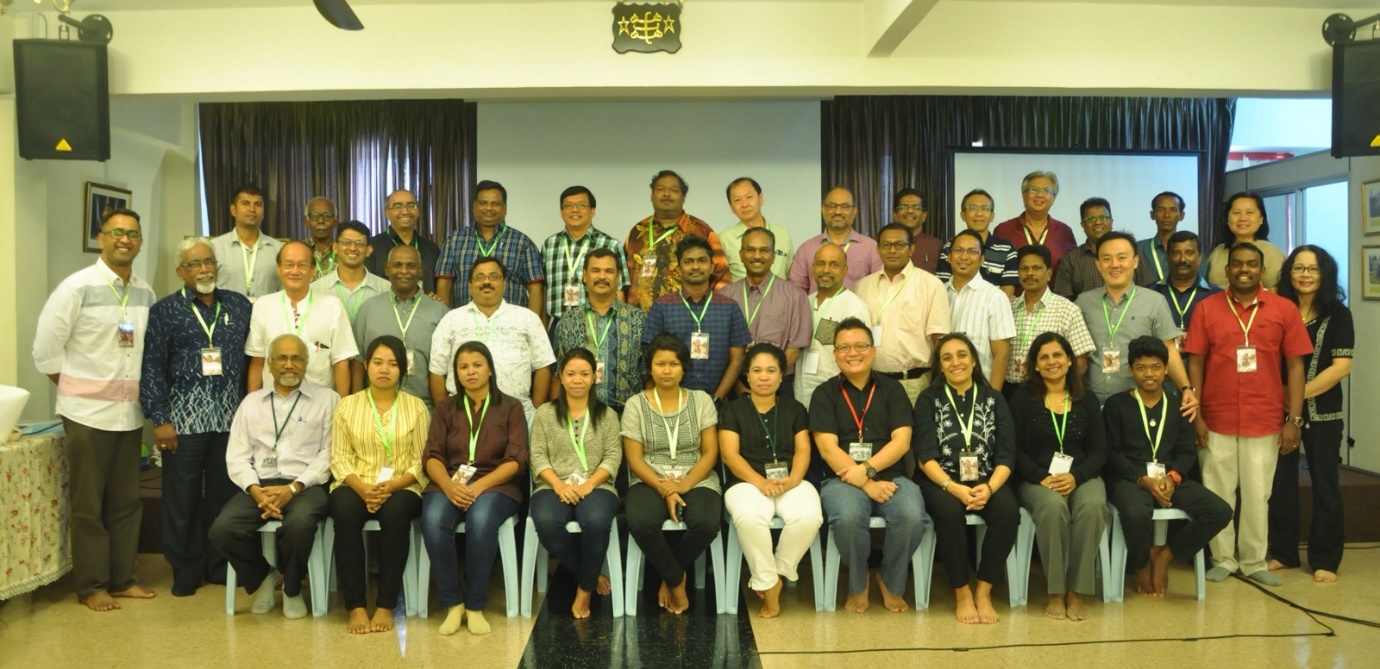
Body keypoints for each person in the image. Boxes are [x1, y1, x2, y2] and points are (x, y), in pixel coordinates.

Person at [34, 208, 158, 611]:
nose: (125, 240)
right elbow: (45, 352)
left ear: (140, 242)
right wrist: (80, 391)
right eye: (116, 232)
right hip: (86, 416)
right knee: (89, 505)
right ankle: (91, 586)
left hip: (129, 415)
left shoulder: (145, 292)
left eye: (133, 234)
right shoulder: (76, 288)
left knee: (127, 501)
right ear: (101, 238)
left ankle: (122, 579)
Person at [1186, 242, 1311, 586]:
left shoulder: (1284, 309)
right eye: (1237, 264)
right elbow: (1195, 363)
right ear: (1227, 270)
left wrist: (1294, 420)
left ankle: (1254, 561)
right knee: (1218, 493)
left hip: (1265, 417)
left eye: (1252, 264)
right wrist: (1197, 415)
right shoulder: (1206, 309)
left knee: (1258, 494)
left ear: (1262, 270)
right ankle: (1223, 559)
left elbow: (1296, 368)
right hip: (1216, 416)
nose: (1244, 270)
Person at [141, 236, 252, 596]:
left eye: (209, 262)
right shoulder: (165, 311)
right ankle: (186, 569)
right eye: (195, 264)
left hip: (230, 420)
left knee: (224, 495)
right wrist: (160, 419)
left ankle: (218, 565)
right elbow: (152, 368)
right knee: (182, 499)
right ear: (180, 272)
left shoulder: (238, 305)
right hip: (183, 421)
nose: (204, 269)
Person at [210, 334, 335, 619]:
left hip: (306, 484)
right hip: (260, 486)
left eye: (296, 358)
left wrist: (294, 488)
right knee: (223, 529)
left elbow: (330, 454)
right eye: (282, 358)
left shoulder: (327, 400)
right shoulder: (251, 404)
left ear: (307, 363)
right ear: (269, 364)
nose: (289, 365)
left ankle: (292, 588)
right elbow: (237, 456)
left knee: (300, 524)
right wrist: (255, 490)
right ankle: (264, 576)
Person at [1104, 336, 1231, 597]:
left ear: (1165, 370)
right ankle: (1139, 566)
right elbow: (1111, 453)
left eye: (1155, 367)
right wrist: (1142, 479)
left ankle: (1165, 555)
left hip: (1170, 479)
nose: (1149, 374)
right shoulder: (1117, 405)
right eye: (1141, 368)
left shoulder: (1177, 405)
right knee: (1136, 512)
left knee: (1219, 511)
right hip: (1130, 479)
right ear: (1130, 371)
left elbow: (1186, 453)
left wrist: (1172, 478)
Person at [810, 318, 922, 614]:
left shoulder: (893, 390)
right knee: (847, 518)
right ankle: (858, 582)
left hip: (892, 475)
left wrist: (868, 470)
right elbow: (827, 448)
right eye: (844, 348)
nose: (853, 353)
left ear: (873, 350)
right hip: (841, 479)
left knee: (912, 515)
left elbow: (902, 442)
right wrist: (866, 483)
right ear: (835, 354)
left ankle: (890, 580)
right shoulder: (824, 394)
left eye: (860, 346)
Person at [422, 341, 528, 635]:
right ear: (456, 373)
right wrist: (448, 487)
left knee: (481, 519)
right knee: (433, 519)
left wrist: (478, 486)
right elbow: (432, 456)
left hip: (496, 484)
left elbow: (516, 460)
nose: (471, 372)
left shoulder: (511, 407)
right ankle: (453, 603)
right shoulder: (445, 408)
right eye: (463, 367)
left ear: (490, 369)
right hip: (449, 482)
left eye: (477, 365)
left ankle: (475, 605)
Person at [912, 333, 1018, 625]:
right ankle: (962, 592)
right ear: (940, 366)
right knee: (948, 513)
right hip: (940, 481)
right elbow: (925, 456)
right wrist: (953, 487)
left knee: (1008, 512)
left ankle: (983, 591)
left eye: (962, 355)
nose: (955, 362)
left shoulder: (994, 399)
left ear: (973, 361)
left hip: (988, 479)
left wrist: (990, 488)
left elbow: (1006, 455)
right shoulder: (928, 399)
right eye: (947, 358)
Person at [330, 336, 430, 634]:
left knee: (396, 516)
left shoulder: (416, 407)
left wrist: (393, 486)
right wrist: (362, 488)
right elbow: (339, 458)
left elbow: (421, 461)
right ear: (366, 366)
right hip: (355, 483)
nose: (384, 369)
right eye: (377, 362)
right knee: (344, 512)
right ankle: (356, 606)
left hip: (403, 485)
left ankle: (386, 604)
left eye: (392, 364)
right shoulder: (347, 406)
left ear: (402, 370)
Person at [621, 333, 724, 615]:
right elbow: (634, 459)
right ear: (650, 368)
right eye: (660, 364)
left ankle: (669, 577)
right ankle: (678, 580)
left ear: (684, 368)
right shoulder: (635, 404)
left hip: (697, 478)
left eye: (674, 364)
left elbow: (710, 453)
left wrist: (683, 484)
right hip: (649, 479)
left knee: (706, 522)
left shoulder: (701, 401)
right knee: (641, 522)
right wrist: (665, 487)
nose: (667, 370)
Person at [1268, 246, 1353, 583]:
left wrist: (1295, 397)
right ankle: (1284, 552)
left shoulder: (1338, 314)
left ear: (1325, 274)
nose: (1305, 275)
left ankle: (1325, 559)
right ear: (1288, 273)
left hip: (1323, 413)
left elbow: (1341, 367)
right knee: (1281, 483)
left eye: (1313, 269)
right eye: (1298, 268)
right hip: (1277, 411)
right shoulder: (1276, 309)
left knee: (1325, 484)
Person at [1011, 332, 1109, 621]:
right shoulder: (1022, 399)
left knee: (1093, 507)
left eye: (1057, 355)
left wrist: (1077, 476)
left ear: (1069, 360)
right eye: (1044, 357)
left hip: (1082, 475)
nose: (1051, 362)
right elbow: (1012, 449)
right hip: (1036, 479)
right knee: (1053, 507)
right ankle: (1055, 590)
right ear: (1035, 365)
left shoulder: (1086, 399)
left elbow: (1100, 450)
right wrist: (1040, 476)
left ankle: (1076, 591)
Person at [719, 343, 822, 618]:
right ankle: (767, 583)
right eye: (757, 370)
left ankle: (776, 575)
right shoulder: (733, 410)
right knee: (750, 517)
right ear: (747, 375)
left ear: (781, 374)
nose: (764, 377)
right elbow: (729, 455)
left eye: (771, 370)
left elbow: (803, 450)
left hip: (790, 480)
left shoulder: (795, 408)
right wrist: (759, 482)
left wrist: (794, 479)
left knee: (809, 515)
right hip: (745, 482)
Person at [528, 348, 622, 618]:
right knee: (546, 521)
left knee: (596, 520)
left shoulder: (608, 415)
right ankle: (588, 577)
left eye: (584, 374)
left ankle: (583, 591)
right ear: (561, 376)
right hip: (552, 485)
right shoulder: (545, 414)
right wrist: (559, 486)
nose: (577, 380)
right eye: (570, 374)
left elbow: (613, 456)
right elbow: (537, 455)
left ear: (594, 377)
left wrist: (588, 485)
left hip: (597, 485)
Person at [1075, 231, 1199, 415]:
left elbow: (1169, 349)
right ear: (1098, 264)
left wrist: (1186, 388)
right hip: (1092, 404)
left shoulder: (1154, 301)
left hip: (1138, 405)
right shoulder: (1083, 302)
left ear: (1135, 261)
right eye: (1107, 259)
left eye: (1122, 258)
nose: (1114, 265)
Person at [429, 257, 556, 422]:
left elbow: (543, 365)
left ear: (504, 283)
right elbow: (437, 371)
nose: (486, 282)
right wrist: (446, 414)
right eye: (479, 277)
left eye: (494, 277)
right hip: (463, 416)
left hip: (517, 416)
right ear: (469, 285)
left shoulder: (527, 318)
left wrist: (535, 409)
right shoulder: (451, 319)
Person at [644, 235, 751, 402]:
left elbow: (736, 360)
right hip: (671, 401)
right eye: (688, 262)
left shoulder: (729, 307)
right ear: (678, 269)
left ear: (712, 267)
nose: (695, 266)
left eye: (702, 261)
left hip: (719, 402)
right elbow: (649, 357)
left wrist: (717, 398)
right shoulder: (662, 306)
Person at [245, 241, 357, 397]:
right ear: (278, 269)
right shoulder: (263, 305)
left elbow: (341, 363)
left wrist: (341, 406)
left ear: (313, 270)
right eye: (288, 265)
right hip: (273, 402)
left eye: (302, 265)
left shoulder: (332, 307)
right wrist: (253, 404)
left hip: (319, 403)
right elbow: (257, 362)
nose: (295, 271)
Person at [854, 224, 951, 405]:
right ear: (878, 249)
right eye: (886, 245)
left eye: (899, 245)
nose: (892, 250)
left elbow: (939, 338)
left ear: (911, 249)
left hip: (913, 384)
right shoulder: (862, 286)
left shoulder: (931, 285)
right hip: (870, 382)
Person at [350, 245, 449, 406]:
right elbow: (358, 361)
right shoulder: (368, 310)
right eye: (397, 265)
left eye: (411, 266)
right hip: (375, 407)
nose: (404, 271)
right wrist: (357, 403)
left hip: (425, 407)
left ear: (420, 270)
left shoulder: (440, 312)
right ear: (387, 269)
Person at [720, 227, 812, 394]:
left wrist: (766, 379)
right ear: (741, 254)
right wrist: (737, 386)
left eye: (764, 250)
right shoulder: (724, 296)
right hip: (735, 385)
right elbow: (720, 348)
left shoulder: (795, 296)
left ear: (773, 256)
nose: (757, 256)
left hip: (778, 385)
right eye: (750, 250)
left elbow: (794, 349)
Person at [554, 248, 647, 412]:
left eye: (609, 271)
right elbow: (558, 374)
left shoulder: (638, 319)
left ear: (618, 277)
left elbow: (648, 374)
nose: (602, 276)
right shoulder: (568, 321)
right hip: (579, 413)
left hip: (627, 415)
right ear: (585, 275)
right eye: (595, 270)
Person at [434, 180, 545, 315]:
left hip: (511, 324)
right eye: (483, 203)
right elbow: (444, 284)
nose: (489, 208)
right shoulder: (455, 240)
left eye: (495, 204)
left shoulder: (523, 243)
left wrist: (532, 323)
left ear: (505, 208)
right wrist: (446, 320)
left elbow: (535, 289)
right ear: (474, 206)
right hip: (465, 322)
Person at [624, 170, 731, 310]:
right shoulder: (636, 232)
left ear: (683, 197)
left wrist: (714, 313)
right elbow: (622, 278)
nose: (666, 194)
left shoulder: (702, 232)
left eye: (674, 190)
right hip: (638, 318)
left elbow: (721, 278)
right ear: (651, 196)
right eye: (660, 189)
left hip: (687, 316)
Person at [1005, 245, 1095, 395]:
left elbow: (1080, 359)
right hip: (1009, 390)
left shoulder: (1067, 310)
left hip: (1048, 391)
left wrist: (1060, 390)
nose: (1029, 273)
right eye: (1024, 268)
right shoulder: (1008, 308)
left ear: (1049, 273)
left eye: (1036, 268)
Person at [540, 185, 630, 331]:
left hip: (598, 325)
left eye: (581, 205)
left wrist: (619, 329)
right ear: (561, 212)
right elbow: (544, 291)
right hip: (559, 325)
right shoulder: (550, 244)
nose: (575, 210)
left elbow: (619, 291)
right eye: (569, 205)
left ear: (592, 211)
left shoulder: (611, 245)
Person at [793, 243, 872, 405]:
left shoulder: (854, 307)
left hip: (838, 393)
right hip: (801, 389)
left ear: (845, 270)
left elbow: (860, 358)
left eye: (834, 265)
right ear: (813, 268)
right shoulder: (805, 302)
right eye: (821, 264)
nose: (826, 270)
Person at [945, 230, 1016, 392]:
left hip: (981, 390)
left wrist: (993, 397)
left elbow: (1002, 354)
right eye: (958, 250)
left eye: (972, 251)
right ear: (949, 257)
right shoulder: (939, 293)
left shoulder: (995, 297)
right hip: (943, 390)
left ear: (982, 259)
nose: (964, 256)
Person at [1052, 198, 1153, 301]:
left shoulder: (1131, 254)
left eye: (1103, 218)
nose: (1098, 222)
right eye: (1091, 219)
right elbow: (1063, 300)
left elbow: (1149, 293)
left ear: (1111, 221)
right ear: (1082, 225)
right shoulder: (1070, 260)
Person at [788, 187, 883, 294]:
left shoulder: (871, 248)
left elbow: (880, 288)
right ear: (823, 209)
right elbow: (795, 292)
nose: (838, 212)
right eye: (832, 206)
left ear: (854, 211)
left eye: (845, 206)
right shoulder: (806, 249)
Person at [936, 189, 1018, 297]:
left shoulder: (1007, 249)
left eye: (985, 208)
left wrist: (980, 306)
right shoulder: (950, 247)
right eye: (973, 208)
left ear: (992, 215)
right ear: (963, 215)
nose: (979, 213)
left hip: (994, 307)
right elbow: (944, 288)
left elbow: (1007, 292)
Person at [992, 171, 1078, 273]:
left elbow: (1073, 271)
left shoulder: (1064, 232)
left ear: (1054, 198)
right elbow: (993, 272)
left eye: (1046, 190)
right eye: (1033, 190)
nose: (1039, 195)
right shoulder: (1003, 230)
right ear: (1023, 195)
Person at [1149, 231, 1220, 352]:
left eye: (1189, 253)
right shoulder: (1150, 294)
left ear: (1200, 257)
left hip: (1204, 362)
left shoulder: (1217, 296)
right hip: (1162, 362)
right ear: (1167, 257)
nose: (1182, 259)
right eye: (1176, 253)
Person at [212, 185, 284, 301]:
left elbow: (284, 289)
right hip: (226, 312)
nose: (252, 209)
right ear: (233, 210)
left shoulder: (278, 249)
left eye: (258, 204)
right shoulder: (215, 248)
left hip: (266, 312)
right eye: (245, 203)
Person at [311, 220, 391, 325]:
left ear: (368, 250)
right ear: (335, 247)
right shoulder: (316, 290)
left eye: (359, 243)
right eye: (346, 242)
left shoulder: (385, 289)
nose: (353, 248)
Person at [366, 189, 443, 298]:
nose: (405, 211)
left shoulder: (432, 249)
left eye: (411, 206)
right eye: (398, 207)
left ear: (418, 211)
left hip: (424, 307)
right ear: (387, 213)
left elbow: (439, 290)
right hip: (383, 307)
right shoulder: (372, 246)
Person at [1205, 193, 1286, 291]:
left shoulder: (1271, 252)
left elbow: (1275, 295)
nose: (1242, 218)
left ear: (1261, 218)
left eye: (1249, 212)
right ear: (1227, 219)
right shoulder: (1218, 251)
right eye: (1236, 213)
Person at [720, 177, 794, 281]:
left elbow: (790, 276)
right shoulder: (724, 240)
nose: (744, 204)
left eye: (749, 197)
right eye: (737, 200)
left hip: (780, 291)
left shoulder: (782, 234)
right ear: (731, 207)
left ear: (760, 198)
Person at [1137, 192, 1188, 285]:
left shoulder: (1192, 250)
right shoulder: (1138, 249)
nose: (1167, 215)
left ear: (1181, 215)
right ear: (1152, 214)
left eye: (1173, 210)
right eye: (1161, 210)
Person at [891, 188, 942, 275]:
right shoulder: (879, 244)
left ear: (924, 216)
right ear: (895, 215)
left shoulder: (937, 245)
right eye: (904, 206)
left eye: (916, 207)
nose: (910, 211)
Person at [302, 196, 338, 279]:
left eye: (327, 216)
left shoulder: (344, 251)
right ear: (306, 221)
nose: (321, 221)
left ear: (335, 221)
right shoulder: (298, 250)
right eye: (315, 216)